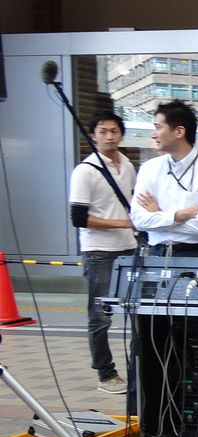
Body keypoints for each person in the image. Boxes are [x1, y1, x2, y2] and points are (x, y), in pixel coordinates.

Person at [68, 111, 137, 394]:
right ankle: (106, 374)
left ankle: (139, 371)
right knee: (100, 316)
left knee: (139, 313)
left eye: (114, 131)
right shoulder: (86, 170)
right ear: (93, 135)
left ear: (121, 134)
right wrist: (122, 222)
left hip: (130, 247)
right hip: (99, 251)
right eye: (103, 131)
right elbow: (78, 218)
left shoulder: (128, 165)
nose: (109, 136)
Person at [130, 99, 198, 257]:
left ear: (179, 132)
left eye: (158, 127)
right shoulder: (149, 168)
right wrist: (177, 216)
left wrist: (158, 214)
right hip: (157, 253)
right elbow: (138, 220)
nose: (153, 135)